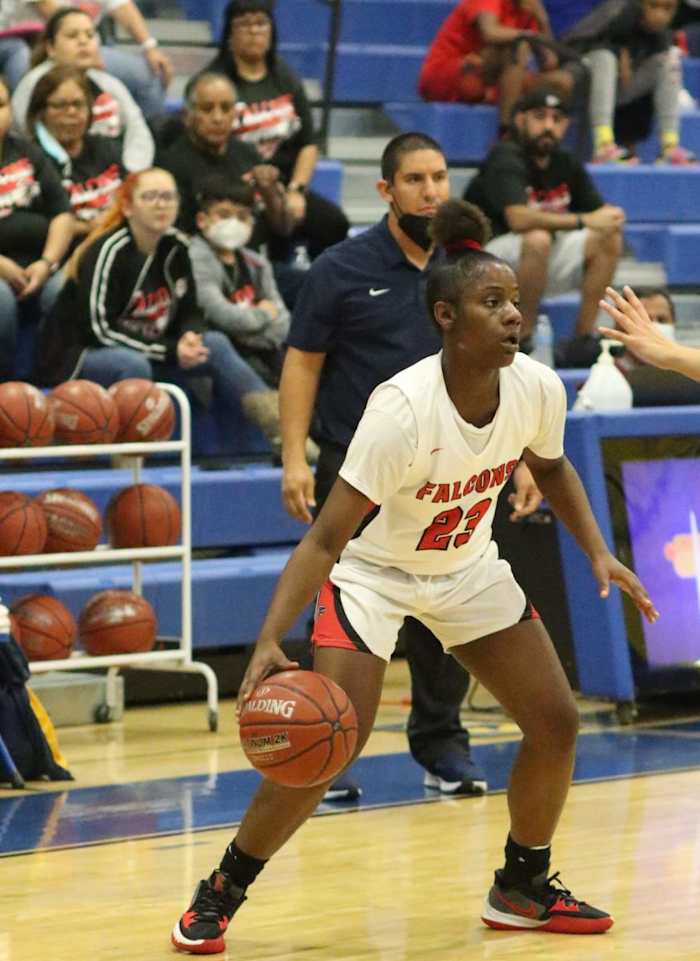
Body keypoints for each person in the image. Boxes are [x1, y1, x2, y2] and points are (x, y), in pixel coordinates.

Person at [170, 197, 659, 954]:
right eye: (491, 302)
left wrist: (596, 547)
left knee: (557, 723)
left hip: (467, 568)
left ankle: (522, 884)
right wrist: (271, 636)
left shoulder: (537, 386)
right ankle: (222, 889)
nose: (511, 316)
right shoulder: (400, 408)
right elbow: (326, 538)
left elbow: (552, 467)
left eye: (516, 302)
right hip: (377, 576)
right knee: (328, 742)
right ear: (444, 317)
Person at [280, 132, 544, 802]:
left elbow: (510, 383)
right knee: (349, 609)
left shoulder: (477, 274)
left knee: (448, 603)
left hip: (457, 462)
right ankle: (329, 749)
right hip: (362, 460)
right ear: (386, 190)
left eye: (439, 178)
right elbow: (302, 361)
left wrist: (521, 460)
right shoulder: (341, 267)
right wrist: (292, 456)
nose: (431, 191)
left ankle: (442, 743)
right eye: (415, 180)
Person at [33, 167, 286, 453]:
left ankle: (278, 426)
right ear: (128, 206)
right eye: (150, 196)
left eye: (168, 197)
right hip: (78, 355)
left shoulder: (177, 246)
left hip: (149, 346)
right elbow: (98, 329)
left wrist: (191, 335)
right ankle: (129, 455)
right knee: (132, 364)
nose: (161, 204)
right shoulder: (109, 250)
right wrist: (169, 351)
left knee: (213, 343)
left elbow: (191, 309)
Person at [464, 87, 624, 364]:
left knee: (608, 237)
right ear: (521, 120)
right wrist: (583, 220)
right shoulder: (505, 156)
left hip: (540, 258)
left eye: (556, 119)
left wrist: (610, 216)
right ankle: (521, 339)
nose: (548, 126)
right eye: (540, 117)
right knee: (538, 237)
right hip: (487, 262)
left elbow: (602, 214)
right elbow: (518, 218)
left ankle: (582, 341)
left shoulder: (565, 162)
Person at [204, 0, 349, 262]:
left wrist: (296, 190)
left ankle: (322, 291)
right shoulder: (213, 82)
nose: (254, 31)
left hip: (284, 185)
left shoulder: (285, 76)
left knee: (334, 223)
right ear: (229, 33)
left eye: (261, 23)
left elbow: (308, 142)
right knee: (266, 231)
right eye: (245, 24)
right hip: (236, 189)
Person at [11, 6, 155, 172]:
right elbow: (26, 139)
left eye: (90, 35)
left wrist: (132, 173)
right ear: (50, 47)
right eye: (73, 36)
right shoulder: (34, 84)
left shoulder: (108, 82)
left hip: (114, 174)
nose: (83, 41)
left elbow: (136, 129)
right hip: (58, 176)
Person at [156, 72, 293, 244]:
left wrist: (270, 193)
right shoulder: (171, 166)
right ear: (188, 115)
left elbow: (283, 228)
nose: (218, 118)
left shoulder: (248, 154)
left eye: (226, 108)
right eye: (207, 109)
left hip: (252, 260)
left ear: (235, 114)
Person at [0, 74, 75, 381]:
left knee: (65, 289)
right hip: (2, 273)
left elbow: (62, 213)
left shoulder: (26, 151)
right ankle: (6, 387)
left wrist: (47, 262)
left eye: (2, 105)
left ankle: (51, 382)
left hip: (40, 265)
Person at [418, 0, 582, 134]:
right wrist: (529, 36)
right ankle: (506, 133)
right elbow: (489, 32)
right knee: (517, 46)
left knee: (562, 81)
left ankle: (541, 136)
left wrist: (542, 19)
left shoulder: (528, 10)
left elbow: (549, 63)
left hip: (494, 80)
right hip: (451, 74)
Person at [563, 0, 697, 163]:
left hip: (619, 91)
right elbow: (573, 46)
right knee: (605, 57)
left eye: (668, 8)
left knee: (669, 60)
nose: (660, 15)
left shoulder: (662, 35)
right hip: (584, 86)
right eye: (653, 6)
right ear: (640, 4)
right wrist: (616, 51)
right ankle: (604, 145)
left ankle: (669, 146)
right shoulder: (616, 12)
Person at [1, 0, 174, 116]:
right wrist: (90, 46)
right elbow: (53, 11)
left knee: (149, 74)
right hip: (13, 41)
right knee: (22, 63)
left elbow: (121, 5)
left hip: (81, 39)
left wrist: (149, 46)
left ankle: (152, 147)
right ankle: (24, 147)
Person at [26, 64, 124, 239]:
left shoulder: (106, 147)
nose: (71, 112)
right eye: (60, 105)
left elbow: (129, 194)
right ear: (41, 111)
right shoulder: (31, 160)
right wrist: (88, 227)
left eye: (78, 104)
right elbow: (38, 226)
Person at [601, 283, 700, 381]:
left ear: (674, 322)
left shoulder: (691, 366)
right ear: (621, 326)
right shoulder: (607, 375)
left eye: (662, 320)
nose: (654, 329)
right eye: (646, 320)